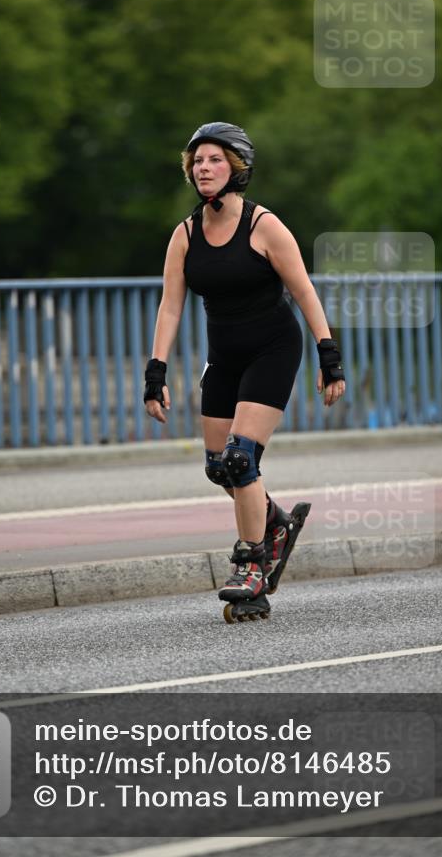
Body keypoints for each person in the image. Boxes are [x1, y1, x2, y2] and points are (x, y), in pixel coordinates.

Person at [144, 122, 345, 621]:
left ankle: (252, 566)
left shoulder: (264, 226)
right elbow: (171, 306)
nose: (203, 168)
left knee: (240, 459)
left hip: (273, 348)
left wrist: (329, 356)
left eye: (214, 159)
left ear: (236, 168)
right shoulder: (185, 235)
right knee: (219, 468)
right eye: (197, 160)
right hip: (224, 356)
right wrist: (156, 372)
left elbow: (303, 290)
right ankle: (275, 522)